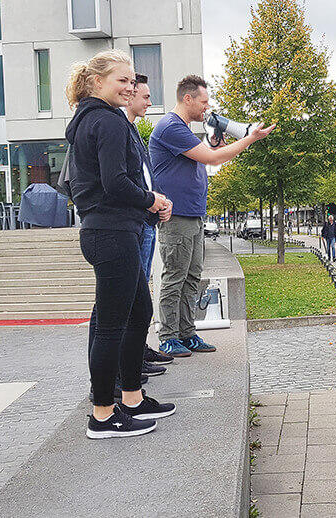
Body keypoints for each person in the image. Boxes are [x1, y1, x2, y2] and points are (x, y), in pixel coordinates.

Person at [65, 50, 176, 439]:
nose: (130, 87)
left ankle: (131, 398)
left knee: (138, 311)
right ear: (98, 82)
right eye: (122, 81)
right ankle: (102, 414)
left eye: (132, 81)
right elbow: (114, 182)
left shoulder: (88, 119)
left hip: (108, 230)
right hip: (111, 232)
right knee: (112, 325)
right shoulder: (106, 122)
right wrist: (153, 200)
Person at [150, 75, 274, 357]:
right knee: (175, 277)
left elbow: (209, 153)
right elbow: (213, 159)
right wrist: (249, 138)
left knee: (192, 277)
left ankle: (186, 332)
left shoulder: (182, 130)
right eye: (204, 102)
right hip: (177, 215)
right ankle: (169, 336)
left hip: (192, 214)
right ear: (188, 98)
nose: (207, 107)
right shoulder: (170, 127)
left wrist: (215, 141)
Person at [124, 73, 173, 371]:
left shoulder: (133, 132)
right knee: (135, 295)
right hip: (135, 223)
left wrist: (158, 200)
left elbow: (144, 177)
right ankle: (133, 359)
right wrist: (149, 200)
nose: (150, 102)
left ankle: (138, 351)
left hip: (146, 220)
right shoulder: (118, 130)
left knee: (141, 292)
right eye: (145, 96)